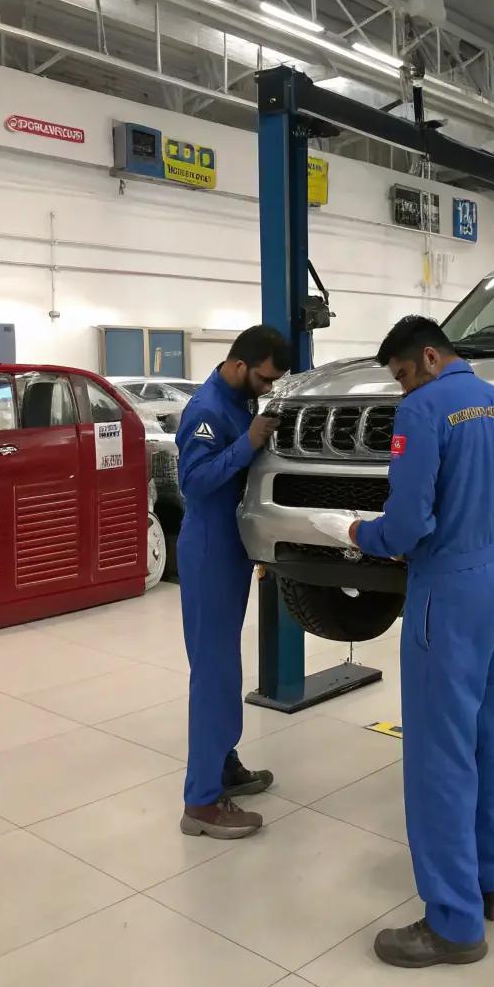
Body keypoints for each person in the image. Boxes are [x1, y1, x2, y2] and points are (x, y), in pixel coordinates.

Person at [350, 315, 494, 967]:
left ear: (427, 357)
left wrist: (360, 537)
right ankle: (490, 881)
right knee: (488, 736)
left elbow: (406, 524)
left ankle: (453, 922)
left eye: (400, 374)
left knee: (439, 755)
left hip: (446, 594)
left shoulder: (423, 412)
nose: (400, 389)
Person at [176, 324, 290, 840]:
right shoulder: (205, 411)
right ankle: (200, 804)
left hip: (233, 550)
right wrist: (246, 445)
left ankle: (223, 766)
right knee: (213, 676)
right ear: (240, 365)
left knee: (225, 666)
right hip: (208, 553)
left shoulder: (240, 402)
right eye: (265, 378)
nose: (268, 387)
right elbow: (193, 483)